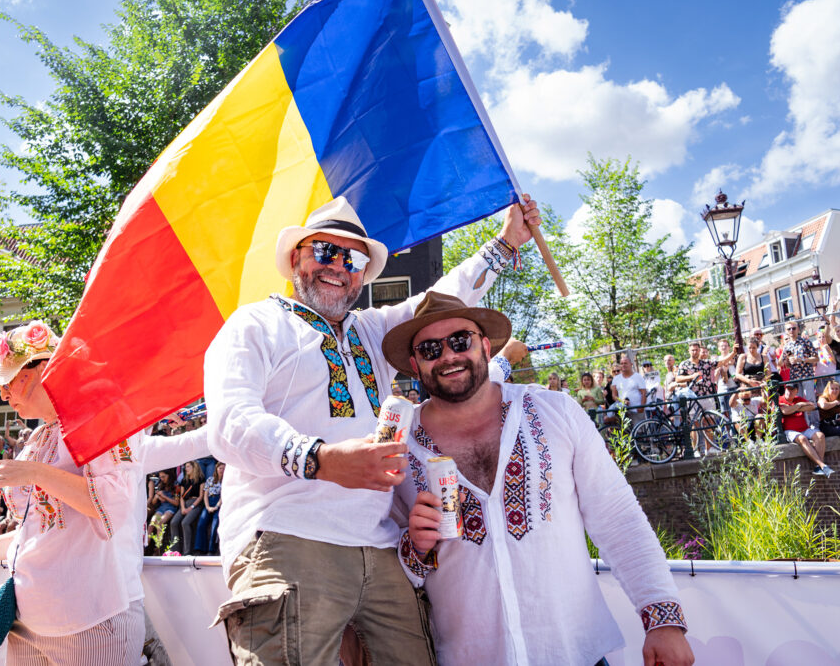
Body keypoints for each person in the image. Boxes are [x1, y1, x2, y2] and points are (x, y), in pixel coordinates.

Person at [204, 194, 541, 664]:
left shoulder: (370, 330)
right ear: (296, 257)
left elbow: (442, 301)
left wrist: (506, 243)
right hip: (286, 534)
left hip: (381, 545)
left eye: (354, 258)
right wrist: (321, 460)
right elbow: (228, 423)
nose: (339, 266)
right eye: (325, 251)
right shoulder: (254, 324)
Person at [383, 292, 693, 666]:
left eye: (460, 341)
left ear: (484, 346)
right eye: (430, 349)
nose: (448, 356)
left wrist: (663, 619)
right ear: (415, 365)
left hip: (574, 654)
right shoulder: (394, 447)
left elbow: (617, 517)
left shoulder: (554, 411)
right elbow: (387, 568)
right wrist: (415, 547)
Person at [0, 321, 147, 664]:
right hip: (29, 623)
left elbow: (112, 504)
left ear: (42, 371)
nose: (3, 395)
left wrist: (33, 472)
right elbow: (37, 534)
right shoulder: (38, 439)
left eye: (8, 381)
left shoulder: (103, 416)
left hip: (90, 621)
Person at [779, 382, 832, 477]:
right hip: (789, 430)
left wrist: (795, 407)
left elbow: (812, 406)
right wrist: (800, 406)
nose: (789, 391)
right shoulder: (780, 399)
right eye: (788, 389)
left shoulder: (798, 399)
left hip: (804, 428)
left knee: (820, 435)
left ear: (796, 391)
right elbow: (785, 411)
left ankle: (818, 467)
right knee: (802, 439)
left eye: (792, 390)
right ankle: (822, 465)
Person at [782, 320, 819, 423]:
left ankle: (815, 425)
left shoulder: (806, 342)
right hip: (795, 377)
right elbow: (786, 364)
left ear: (798, 329)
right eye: (789, 329)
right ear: (786, 331)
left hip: (807, 375)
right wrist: (788, 361)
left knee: (811, 400)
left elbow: (816, 359)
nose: (792, 331)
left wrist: (802, 359)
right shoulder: (787, 345)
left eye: (794, 328)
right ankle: (805, 424)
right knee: (799, 402)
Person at [170, 461, 205, 556]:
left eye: (188, 466)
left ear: (194, 467)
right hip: (184, 503)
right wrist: (182, 508)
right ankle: (174, 550)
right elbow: (181, 496)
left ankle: (187, 552)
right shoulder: (184, 480)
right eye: (186, 467)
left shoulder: (201, 479)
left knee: (185, 523)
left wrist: (191, 507)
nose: (186, 469)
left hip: (196, 503)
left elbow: (201, 496)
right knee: (173, 522)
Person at [195, 462, 224, 555]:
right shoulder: (210, 480)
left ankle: (211, 550)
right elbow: (205, 495)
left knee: (215, 524)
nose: (222, 471)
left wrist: (216, 507)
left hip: (219, 502)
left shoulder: (226, 482)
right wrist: (207, 507)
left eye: (224, 469)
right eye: (220, 468)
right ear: (216, 469)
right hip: (209, 502)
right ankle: (200, 548)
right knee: (201, 524)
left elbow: (223, 496)